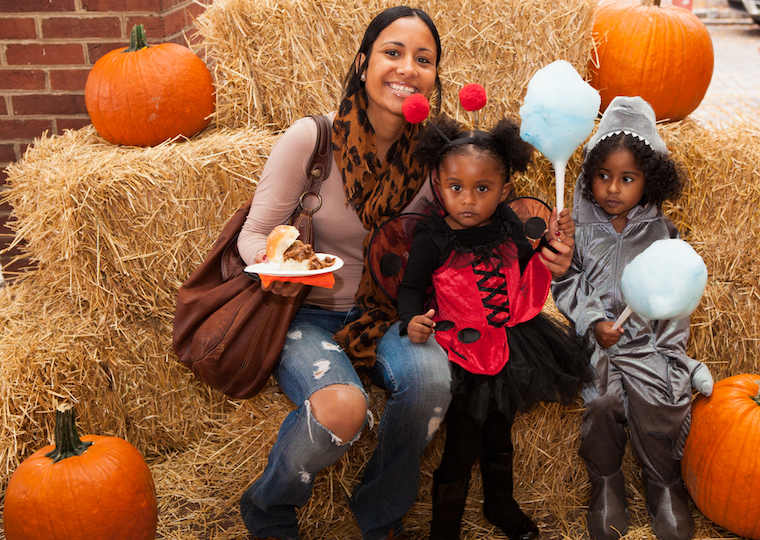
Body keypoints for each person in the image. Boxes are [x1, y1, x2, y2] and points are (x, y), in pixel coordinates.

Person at [233, 7, 568, 540]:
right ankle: (268, 512)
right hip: (305, 312)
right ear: (364, 62)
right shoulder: (312, 140)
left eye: (424, 59)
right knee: (343, 408)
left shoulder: (438, 160)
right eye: (393, 53)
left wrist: (543, 253)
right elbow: (252, 234)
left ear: (435, 77)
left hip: (392, 312)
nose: (407, 68)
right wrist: (283, 264)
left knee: (434, 380)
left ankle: (380, 515)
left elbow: (478, 228)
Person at [395, 115, 591, 540]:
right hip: (461, 350)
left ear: (503, 191)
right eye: (456, 187)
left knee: (501, 437)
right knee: (462, 445)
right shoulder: (432, 239)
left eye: (482, 189)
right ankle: (444, 526)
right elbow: (410, 288)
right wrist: (411, 318)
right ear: (438, 184)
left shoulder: (512, 232)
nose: (467, 199)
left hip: (510, 345)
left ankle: (501, 504)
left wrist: (555, 242)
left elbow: (528, 272)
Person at [551, 96, 713, 540]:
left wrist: (668, 352)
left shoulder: (662, 232)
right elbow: (565, 282)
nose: (613, 189)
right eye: (603, 176)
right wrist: (592, 321)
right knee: (601, 402)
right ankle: (606, 481)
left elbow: (675, 300)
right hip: (594, 339)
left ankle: (663, 484)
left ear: (649, 180)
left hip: (646, 343)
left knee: (661, 397)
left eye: (627, 178)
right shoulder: (577, 227)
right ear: (589, 176)